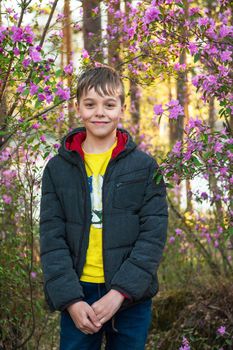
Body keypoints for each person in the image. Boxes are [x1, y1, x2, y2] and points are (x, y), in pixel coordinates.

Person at [39, 64, 168, 350]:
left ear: (122, 107)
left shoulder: (144, 167)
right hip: (79, 292)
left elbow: (153, 236)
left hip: (130, 297)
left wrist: (120, 292)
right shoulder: (57, 169)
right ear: (78, 107)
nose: (100, 112)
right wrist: (71, 300)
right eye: (90, 104)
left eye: (109, 104)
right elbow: (51, 239)